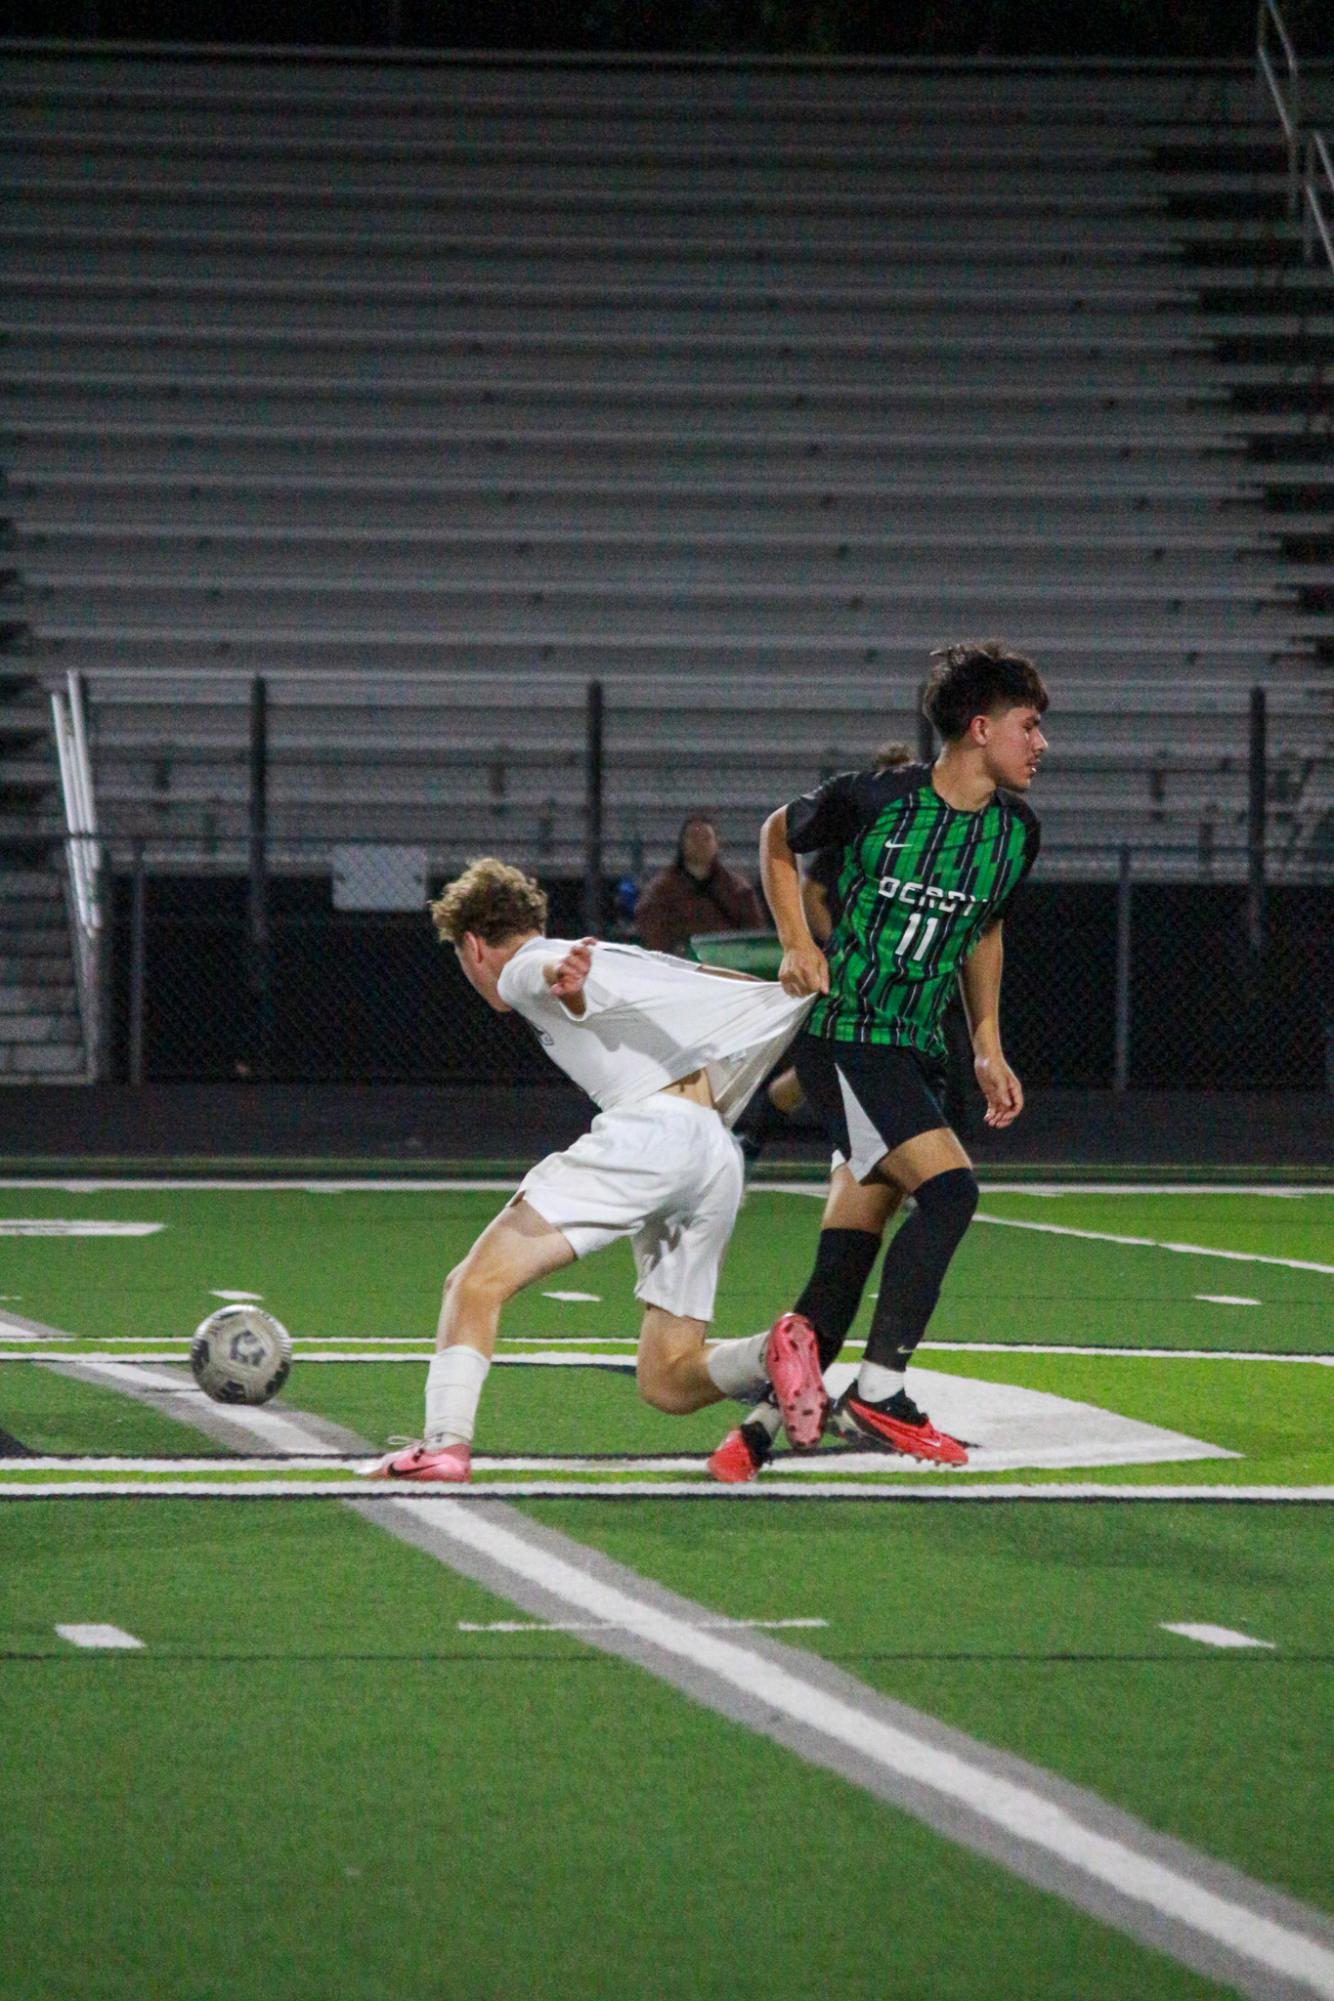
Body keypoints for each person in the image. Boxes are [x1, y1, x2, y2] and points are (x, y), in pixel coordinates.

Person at [361, 857, 820, 1483]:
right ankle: (769, 1352)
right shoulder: (625, 960)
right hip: (714, 1152)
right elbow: (704, 979)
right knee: (667, 1377)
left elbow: (540, 977)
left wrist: (563, 982)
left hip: (653, 1138)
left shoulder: (528, 963)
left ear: (472, 946)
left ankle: (444, 1446)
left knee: (472, 1284)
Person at [709, 641, 1047, 1484]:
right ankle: (882, 1390)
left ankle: (749, 1436)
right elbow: (777, 837)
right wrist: (794, 942)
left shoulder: (1016, 833)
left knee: (850, 1252)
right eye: (1029, 725)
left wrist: (986, 1042)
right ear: (979, 728)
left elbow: (984, 929)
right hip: (850, 1039)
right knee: (953, 1191)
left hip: (917, 1053)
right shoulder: (877, 802)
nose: (1042, 744)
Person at [633, 812, 764, 956]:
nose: (699, 843)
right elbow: (653, 932)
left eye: (706, 838)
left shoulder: (738, 890)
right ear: (681, 843)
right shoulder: (661, 891)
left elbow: (752, 935)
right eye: (693, 837)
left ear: (717, 844)